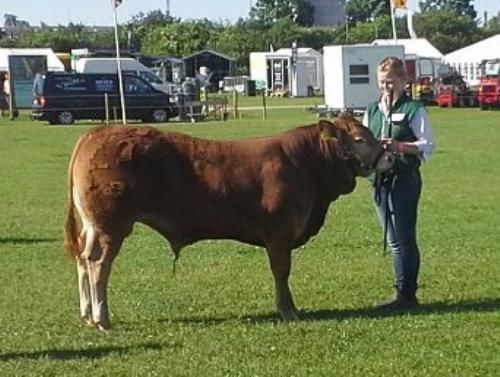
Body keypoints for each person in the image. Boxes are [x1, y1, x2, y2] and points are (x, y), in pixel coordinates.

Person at [362, 56, 436, 310]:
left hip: (404, 179)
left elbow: (428, 145)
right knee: (394, 239)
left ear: (404, 81)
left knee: (404, 238)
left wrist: (399, 146)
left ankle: (406, 294)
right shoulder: (372, 110)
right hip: (380, 182)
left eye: (391, 81)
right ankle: (402, 291)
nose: (386, 87)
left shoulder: (414, 109)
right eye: (382, 82)